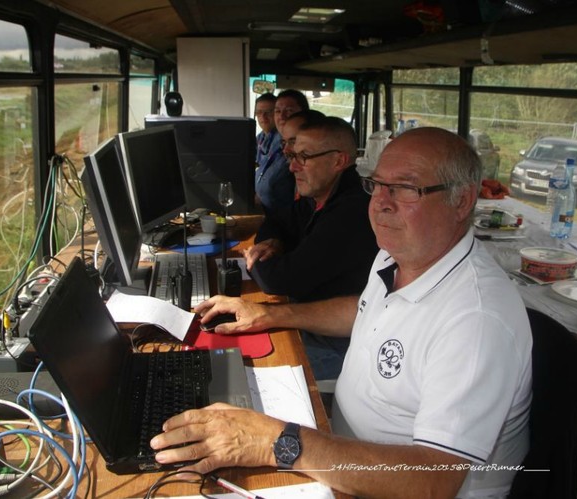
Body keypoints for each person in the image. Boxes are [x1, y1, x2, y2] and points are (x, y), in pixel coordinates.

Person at [150, 127, 533, 499]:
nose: (381, 202)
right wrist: (271, 316)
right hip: (340, 449)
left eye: (404, 188)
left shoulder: (476, 321)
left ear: (462, 200)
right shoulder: (397, 254)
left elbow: (432, 481)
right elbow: (364, 310)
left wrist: (276, 442)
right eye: (377, 184)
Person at [244, 115, 379, 380]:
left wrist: (256, 257)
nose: (293, 167)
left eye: (304, 157)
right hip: (305, 318)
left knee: (243, 368)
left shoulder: (351, 213)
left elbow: (280, 281)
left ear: (338, 161)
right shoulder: (318, 197)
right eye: (292, 155)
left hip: (341, 345)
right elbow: (276, 221)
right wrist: (275, 242)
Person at [253, 92, 295, 220]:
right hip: (262, 211)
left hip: (283, 214)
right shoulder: (258, 140)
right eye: (259, 113)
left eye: (268, 112)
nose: (263, 117)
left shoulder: (285, 142)